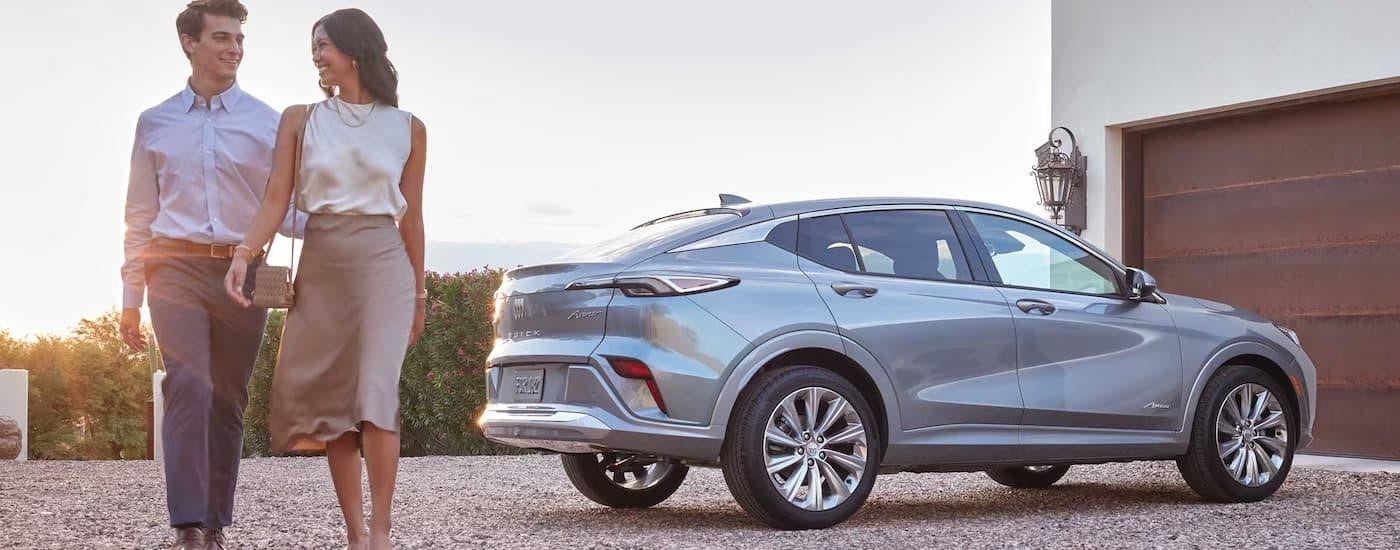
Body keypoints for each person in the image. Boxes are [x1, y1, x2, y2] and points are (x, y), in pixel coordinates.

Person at [223, 8, 427, 550]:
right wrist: (245, 253)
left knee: (377, 394)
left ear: (354, 50)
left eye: (324, 45)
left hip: (386, 265)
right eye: (313, 46)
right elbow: (275, 199)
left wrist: (421, 293)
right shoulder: (299, 118)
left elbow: (414, 216)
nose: (316, 55)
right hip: (324, 262)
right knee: (338, 403)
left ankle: (382, 531)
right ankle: (355, 534)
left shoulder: (409, 128)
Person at [120, 1, 296, 548]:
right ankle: (188, 524)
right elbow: (139, 216)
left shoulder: (269, 121)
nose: (234, 48)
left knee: (228, 397)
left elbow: (287, 208)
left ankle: (216, 521)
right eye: (221, 37)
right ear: (188, 42)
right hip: (171, 267)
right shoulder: (154, 123)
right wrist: (129, 297)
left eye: (239, 39)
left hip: (245, 273)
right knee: (189, 385)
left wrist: (354, 235)